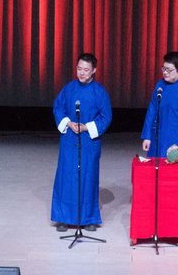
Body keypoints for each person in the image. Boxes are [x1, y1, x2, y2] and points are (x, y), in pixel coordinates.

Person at [51, 53, 112, 232]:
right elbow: (58, 108)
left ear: (94, 70)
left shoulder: (99, 92)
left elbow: (106, 116)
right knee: (66, 176)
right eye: (79, 68)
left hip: (89, 141)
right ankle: (62, 217)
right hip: (69, 139)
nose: (82, 73)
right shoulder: (68, 88)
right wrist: (68, 123)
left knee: (88, 177)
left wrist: (87, 128)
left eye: (86, 70)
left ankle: (89, 217)